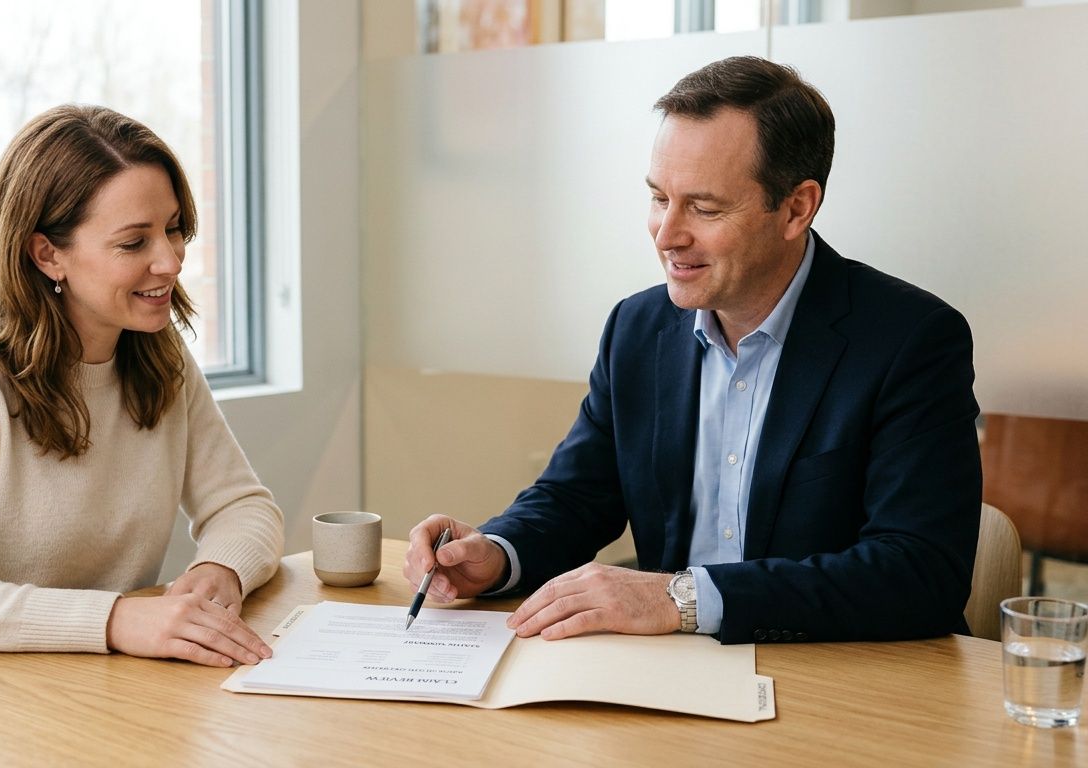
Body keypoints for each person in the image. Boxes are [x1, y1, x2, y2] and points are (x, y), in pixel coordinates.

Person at [404, 56, 982, 645]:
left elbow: (920, 571)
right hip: (672, 677)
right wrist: (497, 554)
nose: (666, 233)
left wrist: (681, 598)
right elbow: (577, 496)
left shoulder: (911, 339)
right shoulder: (638, 327)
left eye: (704, 208)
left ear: (796, 207)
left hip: (841, 681)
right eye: (659, 198)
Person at [0, 105, 282, 667]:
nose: (171, 260)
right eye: (134, 244)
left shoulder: (158, 354)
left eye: (174, 228)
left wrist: (220, 568)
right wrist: (113, 618)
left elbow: (243, 505)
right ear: (48, 253)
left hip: (104, 687)